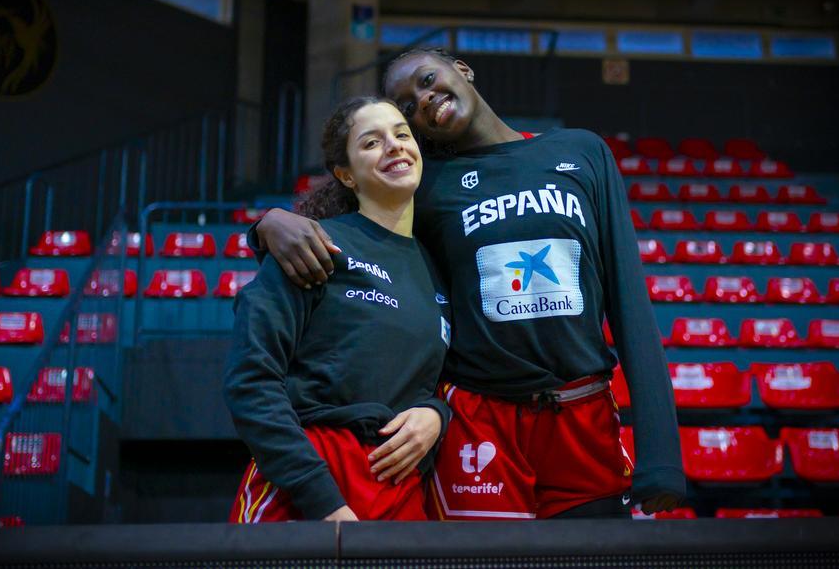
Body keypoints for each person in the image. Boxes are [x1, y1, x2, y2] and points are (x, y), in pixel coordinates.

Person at [249, 48, 685, 520]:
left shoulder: (581, 151)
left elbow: (630, 302)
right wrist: (266, 224)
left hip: (582, 415)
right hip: (481, 424)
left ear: (463, 70)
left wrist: (661, 453)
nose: (424, 99)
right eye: (409, 107)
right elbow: (352, 229)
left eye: (428, 79)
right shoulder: (424, 184)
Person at [224, 96, 453, 523]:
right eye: (371, 142)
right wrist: (322, 500)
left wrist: (436, 414)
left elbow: (444, 382)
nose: (394, 146)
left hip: (398, 487)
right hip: (310, 482)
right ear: (346, 174)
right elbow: (250, 383)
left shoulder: (438, 268)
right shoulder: (310, 245)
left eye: (402, 134)